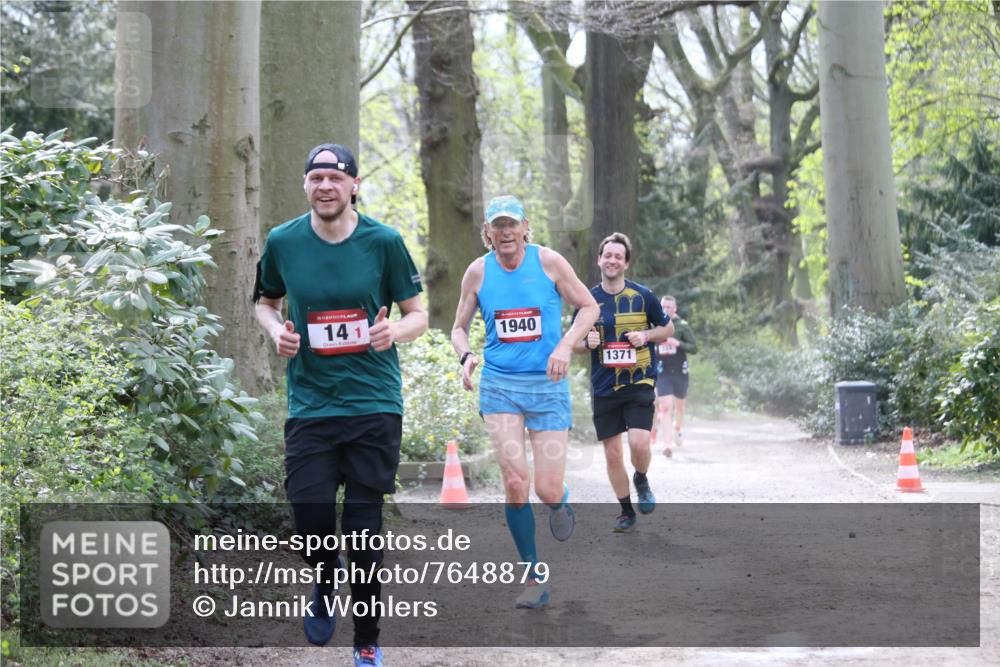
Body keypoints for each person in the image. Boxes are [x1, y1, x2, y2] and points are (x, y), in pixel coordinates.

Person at [254, 143, 427, 667]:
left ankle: (366, 639)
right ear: (305, 185)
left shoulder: (384, 241)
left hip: (373, 402)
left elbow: (418, 314)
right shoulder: (283, 241)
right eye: (316, 178)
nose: (325, 186)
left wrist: (393, 331)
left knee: (364, 531)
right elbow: (266, 303)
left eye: (335, 178)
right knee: (309, 517)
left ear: (354, 185)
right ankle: (325, 575)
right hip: (311, 404)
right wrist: (276, 333)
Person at [451, 195, 599, 609]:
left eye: (511, 224)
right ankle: (534, 577)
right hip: (500, 386)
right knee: (516, 483)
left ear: (525, 227)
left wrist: (566, 346)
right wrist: (466, 356)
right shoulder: (478, 272)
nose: (505, 232)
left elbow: (589, 307)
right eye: (498, 226)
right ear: (488, 232)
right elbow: (458, 328)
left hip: (548, 387)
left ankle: (559, 500)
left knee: (546, 488)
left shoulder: (549, 262)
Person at [572, 233, 673, 533]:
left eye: (618, 256)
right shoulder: (587, 301)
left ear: (626, 263)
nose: (612, 260)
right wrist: (586, 344)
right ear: (599, 260)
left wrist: (646, 335)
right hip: (604, 387)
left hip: (639, 381)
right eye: (608, 255)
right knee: (613, 453)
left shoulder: (643, 296)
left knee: (639, 443)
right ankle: (626, 511)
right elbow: (573, 343)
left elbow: (667, 328)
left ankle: (641, 478)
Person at [655, 295, 698, 457]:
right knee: (665, 406)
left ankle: (677, 428)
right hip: (662, 372)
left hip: (680, 372)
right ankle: (667, 444)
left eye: (669, 307)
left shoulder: (682, 326)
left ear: (675, 309)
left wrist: (678, 343)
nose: (665, 310)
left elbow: (694, 348)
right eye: (663, 307)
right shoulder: (655, 324)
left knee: (680, 407)